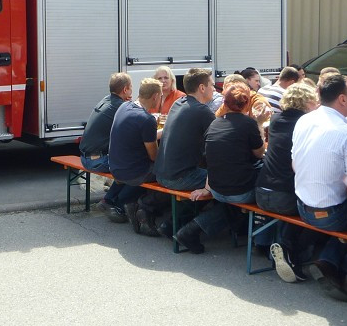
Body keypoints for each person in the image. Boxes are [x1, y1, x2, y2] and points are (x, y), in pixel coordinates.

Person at [290, 73, 347, 302]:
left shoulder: (304, 119)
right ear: (342, 99)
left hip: (301, 206)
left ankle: (328, 261)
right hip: (327, 214)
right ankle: (339, 267)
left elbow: (293, 164)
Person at [175, 83, 265, 254]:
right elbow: (260, 153)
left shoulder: (214, 124)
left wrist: (206, 188)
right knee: (267, 189)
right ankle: (262, 242)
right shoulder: (248, 124)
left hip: (216, 187)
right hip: (238, 191)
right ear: (247, 104)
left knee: (232, 203)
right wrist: (259, 123)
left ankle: (189, 229)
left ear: (224, 102)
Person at [256, 82, 321, 282]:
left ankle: (267, 246)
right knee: (317, 209)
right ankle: (291, 252)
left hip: (261, 191)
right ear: (308, 102)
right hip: (284, 196)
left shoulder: (275, 120)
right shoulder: (307, 124)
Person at [151, 68, 216, 236]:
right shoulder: (203, 112)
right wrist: (208, 188)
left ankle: (164, 219)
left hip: (160, 172)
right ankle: (180, 227)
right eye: (212, 85)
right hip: (177, 178)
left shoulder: (178, 103)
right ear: (202, 88)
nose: (214, 89)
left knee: (205, 177)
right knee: (223, 181)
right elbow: (219, 146)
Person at [105, 78, 163, 223]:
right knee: (166, 172)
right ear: (155, 96)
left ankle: (111, 199)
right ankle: (134, 206)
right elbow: (154, 156)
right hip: (132, 172)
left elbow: (137, 137)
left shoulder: (125, 107)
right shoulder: (147, 119)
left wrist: (159, 133)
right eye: (160, 96)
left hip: (114, 165)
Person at [79, 72, 134, 210]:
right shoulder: (120, 107)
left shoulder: (106, 100)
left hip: (86, 157)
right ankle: (117, 204)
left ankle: (110, 200)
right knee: (135, 168)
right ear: (125, 90)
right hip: (96, 161)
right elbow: (134, 130)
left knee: (128, 164)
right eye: (131, 87)